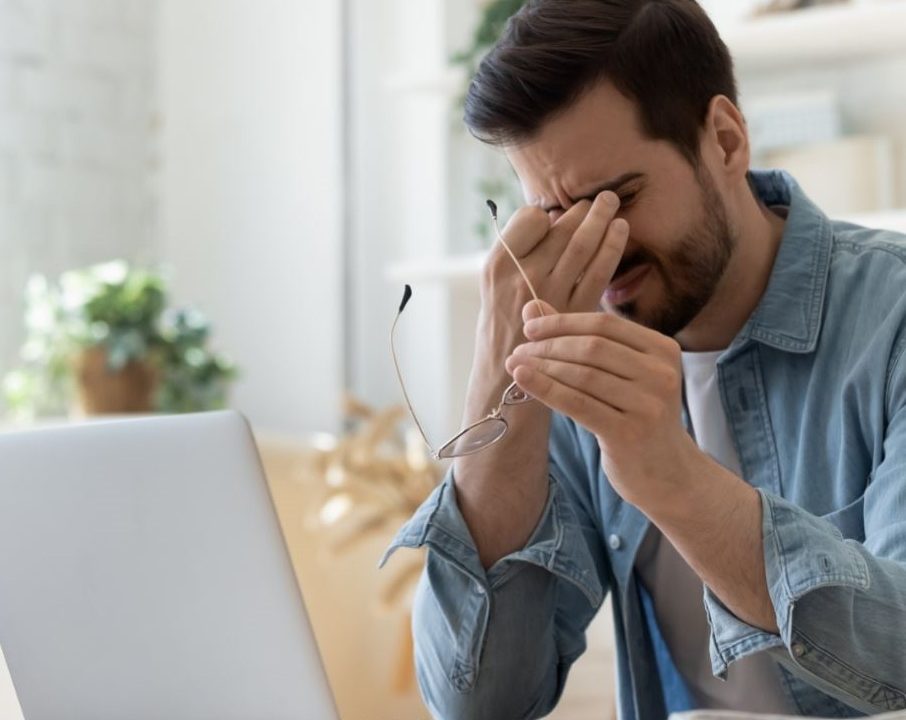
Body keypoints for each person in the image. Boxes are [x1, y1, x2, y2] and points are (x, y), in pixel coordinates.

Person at [380, 0, 906, 717]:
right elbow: (481, 702)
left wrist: (669, 475)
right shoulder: (571, 352)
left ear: (724, 139)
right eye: (555, 215)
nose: (597, 248)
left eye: (615, 197)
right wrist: (496, 387)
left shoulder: (892, 318)